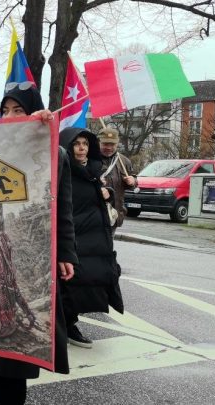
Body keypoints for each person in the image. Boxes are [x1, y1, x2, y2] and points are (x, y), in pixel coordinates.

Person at [0, 86, 77, 405]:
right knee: (3, 327)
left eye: (19, 110)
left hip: (34, 256)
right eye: (6, 110)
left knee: (24, 334)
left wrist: (66, 253)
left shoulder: (55, 153)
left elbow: (63, 209)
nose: (11, 116)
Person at [59, 127, 124, 350]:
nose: (81, 148)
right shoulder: (64, 172)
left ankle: (68, 324)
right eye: (77, 144)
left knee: (90, 282)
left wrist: (108, 193)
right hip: (74, 239)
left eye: (85, 144)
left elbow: (97, 200)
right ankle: (67, 325)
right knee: (71, 285)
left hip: (95, 240)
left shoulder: (93, 170)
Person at [98, 128, 136, 233]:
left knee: (109, 242)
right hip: (93, 213)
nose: (109, 147)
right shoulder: (90, 159)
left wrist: (133, 181)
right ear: (99, 142)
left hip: (113, 213)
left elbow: (133, 181)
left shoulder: (124, 161)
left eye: (112, 144)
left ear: (117, 144)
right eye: (105, 144)